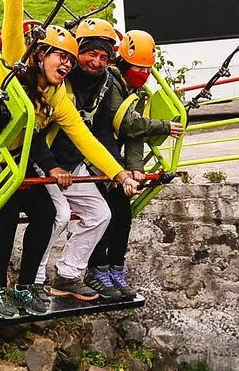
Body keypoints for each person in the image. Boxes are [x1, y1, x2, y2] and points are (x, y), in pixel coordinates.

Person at [0, 0, 139, 319]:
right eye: (61, 57)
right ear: (40, 55)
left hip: (17, 162)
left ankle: (25, 286)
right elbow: (11, 32)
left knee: (46, 212)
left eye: (71, 60)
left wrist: (119, 173)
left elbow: (84, 137)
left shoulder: (56, 94)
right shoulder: (16, 69)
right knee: (7, 211)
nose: (67, 65)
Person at [31, 18, 127, 302]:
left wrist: (118, 170)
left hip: (73, 164)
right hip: (45, 161)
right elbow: (35, 131)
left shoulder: (104, 84)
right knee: (58, 215)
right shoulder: (59, 81)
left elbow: (98, 132)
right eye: (90, 54)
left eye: (103, 57)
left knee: (101, 214)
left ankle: (68, 274)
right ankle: (35, 278)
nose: (96, 62)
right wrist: (51, 166)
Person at [85, 29, 184, 299]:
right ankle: (97, 268)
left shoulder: (133, 89)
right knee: (106, 213)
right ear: (125, 63)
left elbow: (133, 134)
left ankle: (116, 268)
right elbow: (126, 123)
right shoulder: (111, 83)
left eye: (148, 69)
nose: (144, 74)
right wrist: (163, 126)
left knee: (123, 214)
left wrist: (135, 167)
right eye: (139, 68)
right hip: (96, 155)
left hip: (114, 160)